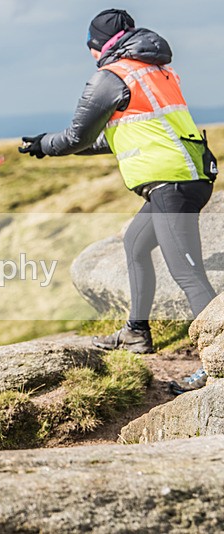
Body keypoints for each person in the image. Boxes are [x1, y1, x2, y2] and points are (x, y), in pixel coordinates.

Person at [20, 9, 218, 392]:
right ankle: (136, 332)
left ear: (96, 47)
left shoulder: (110, 77)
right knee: (135, 243)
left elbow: (78, 135)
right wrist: (51, 146)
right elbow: (114, 135)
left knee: (188, 274)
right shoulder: (153, 69)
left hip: (170, 183)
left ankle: (216, 362)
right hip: (185, 174)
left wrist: (46, 144)